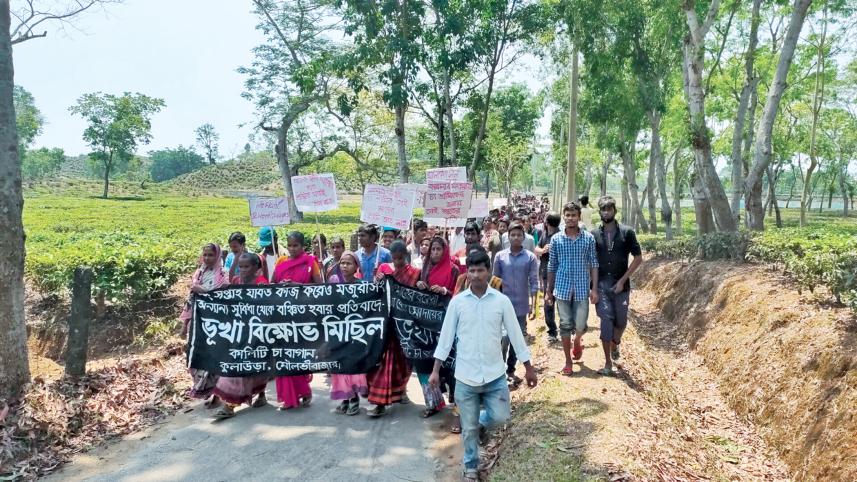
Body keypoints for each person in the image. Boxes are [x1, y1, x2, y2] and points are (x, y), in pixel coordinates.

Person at [431, 249, 537, 482]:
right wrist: (436, 370)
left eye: (481, 270)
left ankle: (479, 424)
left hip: (494, 376)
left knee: (500, 417)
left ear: (489, 272)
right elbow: (446, 338)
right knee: (467, 430)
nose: (477, 275)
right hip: (465, 377)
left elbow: (516, 336)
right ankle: (470, 467)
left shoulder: (501, 302)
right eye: (472, 270)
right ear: (467, 273)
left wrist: (528, 367)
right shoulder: (457, 303)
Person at [212, 253, 271, 419]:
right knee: (237, 365)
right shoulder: (236, 282)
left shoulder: (261, 284)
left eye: (247, 266)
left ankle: (260, 394)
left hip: (257, 332)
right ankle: (229, 404)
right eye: (241, 266)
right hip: (239, 332)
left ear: (256, 268)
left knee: (257, 366)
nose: (243, 270)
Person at [545, 202, 599, 377]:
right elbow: (552, 266)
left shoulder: (588, 239)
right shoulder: (556, 239)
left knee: (581, 325)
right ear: (564, 217)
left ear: (579, 217)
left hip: (583, 289)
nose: (570, 218)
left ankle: (578, 341)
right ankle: (568, 361)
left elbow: (594, 264)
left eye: (573, 215)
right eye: (567, 215)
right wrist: (548, 291)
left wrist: (595, 289)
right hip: (562, 289)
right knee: (565, 325)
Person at [591, 195, 643, 375]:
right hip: (601, 285)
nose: (606, 212)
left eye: (609, 209)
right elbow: (591, 263)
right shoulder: (593, 235)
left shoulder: (627, 233)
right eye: (603, 209)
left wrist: (622, 281)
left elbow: (638, 258)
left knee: (620, 322)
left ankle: (615, 344)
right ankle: (607, 364)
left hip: (621, 285)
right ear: (599, 212)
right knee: (606, 321)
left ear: (615, 211)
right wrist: (594, 288)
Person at [368, 240, 419, 417]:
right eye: (394, 258)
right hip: (388, 325)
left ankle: (401, 390)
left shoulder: (415, 274)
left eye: (400, 258)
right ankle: (379, 401)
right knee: (386, 363)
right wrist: (378, 280)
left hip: (406, 326)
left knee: (404, 363)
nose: (397, 262)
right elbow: (377, 292)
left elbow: (416, 298)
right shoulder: (385, 270)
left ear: (405, 256)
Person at [272, 231, 322, 410]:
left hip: (302, 318)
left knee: (297, 355)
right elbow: (272, 286)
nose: (292, 249)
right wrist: (280, 286)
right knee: (283, 356)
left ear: (303, 247)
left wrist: (298, 286)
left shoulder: (310, 262)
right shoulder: (280, 262)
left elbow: (319, 287)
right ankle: (288, 398)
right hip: (282, 317)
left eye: (296, 246)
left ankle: (304, 391)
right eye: (290, 245)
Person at [415, 236, 460, 429]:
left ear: (445, 251)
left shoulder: (454, 269)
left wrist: (444, 291)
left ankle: (457, 405)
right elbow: (415, 293)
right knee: (423, 361)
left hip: (446, 323)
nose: (434, 253)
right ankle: (433, 402)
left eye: (438, 250)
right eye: (432, 249)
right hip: (425, 325)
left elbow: (458, 294)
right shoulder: (424, 268)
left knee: (449, 364)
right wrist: (420, 286)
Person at [179, 243, 230, 407]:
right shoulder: (198, 274)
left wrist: (204, 292)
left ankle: (218, 394)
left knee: (214, 359)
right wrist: (185, 324)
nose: (207, 258)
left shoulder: (223, 275)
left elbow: (224, 298)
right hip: (198, 324)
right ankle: (205, 390)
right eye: (205, 255)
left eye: (211, 255)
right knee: (196, 358)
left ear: (218, 257)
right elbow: (190, 300)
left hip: (216, 324)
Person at [492, 222, 539, 386]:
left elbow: (534, 281)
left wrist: (534, 305)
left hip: (521, 306)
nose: (516, 237)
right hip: (502, 305)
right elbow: (494, 280)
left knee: (516, 338)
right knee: (503, 337)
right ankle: (498, 369)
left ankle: (510, 369)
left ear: (524, 237)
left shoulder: (530, 257)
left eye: (519, 235)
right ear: (508, 237)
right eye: (513, 235)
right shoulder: (500, 257)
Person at [327, 250, 370, 415]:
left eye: (348, 263)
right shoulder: (333, 281)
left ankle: (354, 399)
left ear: (356, 267)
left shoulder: (362, 286)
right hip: (337, 330)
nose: (344, 266)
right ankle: (344, 398)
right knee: (339, 366)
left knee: (352, 366)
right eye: (342, 263)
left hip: (354, 332)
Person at [534, 213, 561, 343]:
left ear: (547, 222)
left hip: (560, 275)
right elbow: (536, 249)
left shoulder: (561, 236)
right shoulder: (544, 234)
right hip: (545, 274)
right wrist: (543, 250)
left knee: (561, 303)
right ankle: (552, 331)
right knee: (548, 302)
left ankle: (566, 328)